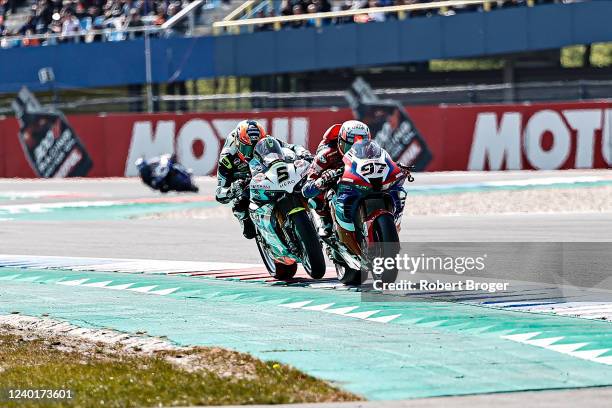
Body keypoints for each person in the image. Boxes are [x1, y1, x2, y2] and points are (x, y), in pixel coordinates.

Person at [215, 120, 312, 239]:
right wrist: (233, 189)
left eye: (256, 146)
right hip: (245, 180)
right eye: (247, 148)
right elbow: (219, 193)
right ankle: (248, 222)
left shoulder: (266, 139)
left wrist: (303, 152)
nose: (251, 153)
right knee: (243, 213)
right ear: (237, 143)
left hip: (267, 171)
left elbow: (292, 147)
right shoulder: (227, 158)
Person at [301, 120, 371, 237]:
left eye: (362, 145)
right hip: (337, 182)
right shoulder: (325, 155)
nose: (356, 150)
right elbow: (307, 189)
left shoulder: (371, 150)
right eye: (350, 145)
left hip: (359, 179)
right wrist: (322, 180)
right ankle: (324, 220)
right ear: (340, 142)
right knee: (316, 199)